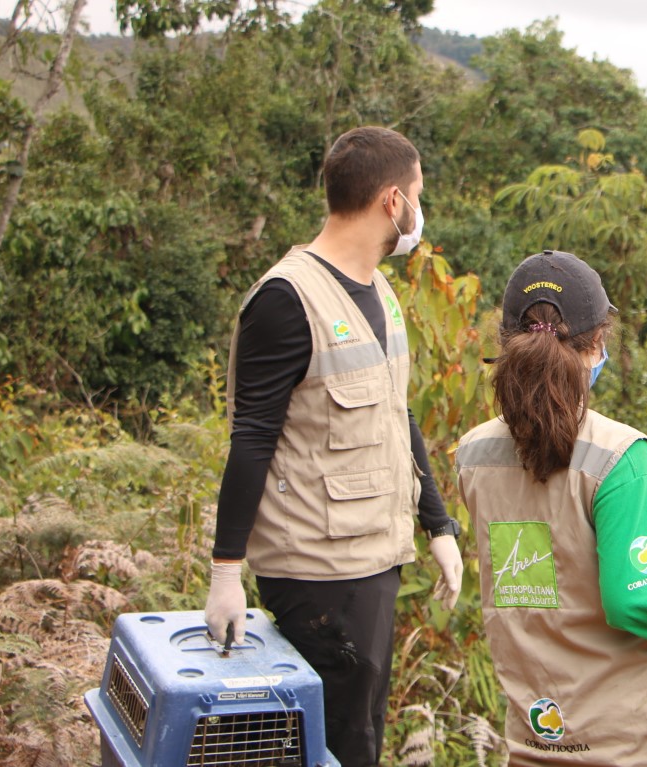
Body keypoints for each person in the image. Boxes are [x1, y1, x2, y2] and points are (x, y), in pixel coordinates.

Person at [203, 126, 464, 767]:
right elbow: (253, 438)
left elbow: (396, 415)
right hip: (316, 572)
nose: (419, 211)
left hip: (376, 558)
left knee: (360, 738)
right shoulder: (286, 300)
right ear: (392, 202)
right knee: (328, 746)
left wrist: (438, 526)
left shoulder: (381, 292)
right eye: (419, 194)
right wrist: (225, 573)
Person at [454, 250, 647, 766]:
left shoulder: (473, 454)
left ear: (506, 344)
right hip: (632, 746)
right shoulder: (618, 460)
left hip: (535, 738)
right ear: (596, 344)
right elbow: (640, 600)